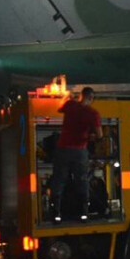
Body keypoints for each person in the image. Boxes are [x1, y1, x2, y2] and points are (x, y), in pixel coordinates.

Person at [48, 86, 102, 223]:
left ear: (81, 95)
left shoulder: (70, 105)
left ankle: (56, 213)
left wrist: (67, 96)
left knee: (59, 180)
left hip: (62, 149)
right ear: (91, 98)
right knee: (82, 180)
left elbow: (59, 109)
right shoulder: (92, 113)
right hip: (79, 151)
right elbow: (100, 135)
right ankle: (84, 213)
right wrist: (91, 136)